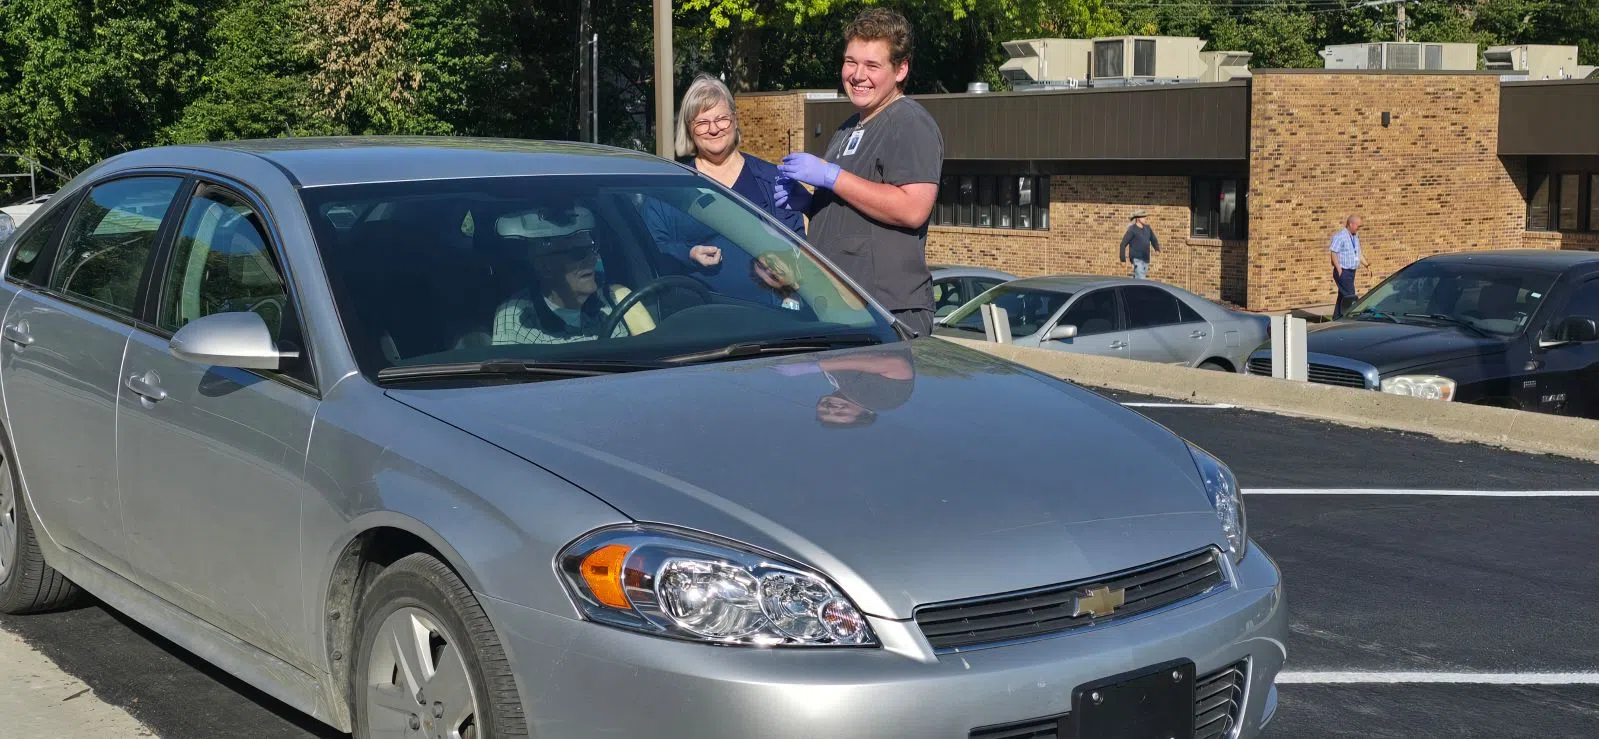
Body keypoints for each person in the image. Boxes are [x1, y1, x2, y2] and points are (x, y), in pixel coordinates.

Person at [772, 7, 944, 338]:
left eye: (872, 65)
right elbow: (855, 209)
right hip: (839, 304)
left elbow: (912, 208)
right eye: (851, 61)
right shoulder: (848, 128)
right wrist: (809, 204)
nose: (857, 74)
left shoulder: (909, 123)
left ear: (901, 69)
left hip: (886, 311)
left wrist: (832, 176)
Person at [643, 73, 807, 308]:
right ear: (690, 129)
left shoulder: (773, 181)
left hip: (771, 322)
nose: (714, 129)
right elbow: (649, 249)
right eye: (702, 123)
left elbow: (799, 249)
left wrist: (783, 267)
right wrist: (688, 253)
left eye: (721, 119)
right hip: (698, 324)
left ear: (735, 119)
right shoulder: (670, 192)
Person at [491, 205, 645, 345]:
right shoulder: (516, 317)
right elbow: (508, 372)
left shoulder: (616, 298)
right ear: (545, 267)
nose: (592, 259)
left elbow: (657, 353)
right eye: (579, 253)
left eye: (592, 249)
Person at [1330, 214, 1369, 319]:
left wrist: (1366, 265)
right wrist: (1339, 269)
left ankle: (1337, 317)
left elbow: (1358, 253)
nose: (1359, 228)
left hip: (1351, 272)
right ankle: (1350, 318)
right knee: (1350, 296)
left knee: (1342, 296)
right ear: (1351, 224)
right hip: (1343, 271)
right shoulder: (1340, 236)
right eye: (1358, 226)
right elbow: (1333, 253)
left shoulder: (1355, 237)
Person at [1119, 209, 1160, 279]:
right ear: (1138, 218)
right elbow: (1123, 244)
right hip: (1136, 259)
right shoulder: (1132, 230)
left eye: (1145, 217)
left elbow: (1153, 239)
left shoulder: (1147, 228)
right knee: (1142, 279)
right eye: (1143, 217)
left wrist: (1157, 249)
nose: (1145, 219)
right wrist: (1123, 259)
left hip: (1146, 258)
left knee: (1137, 280)